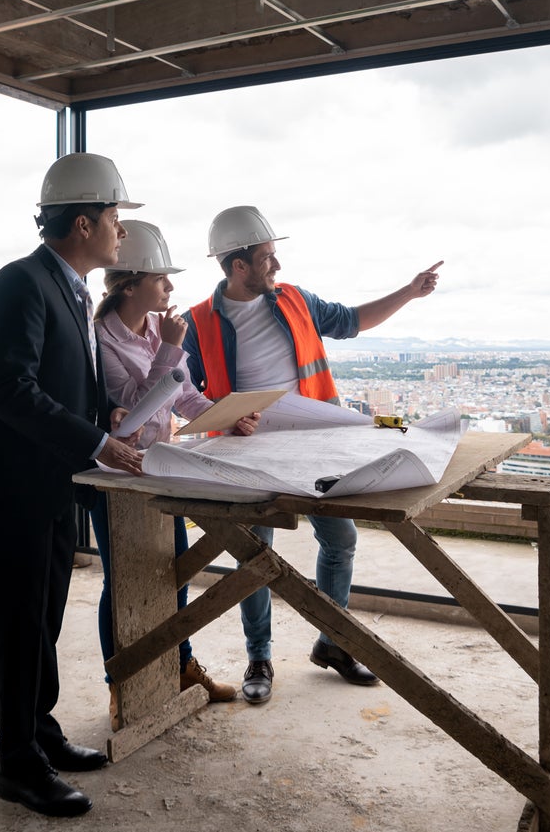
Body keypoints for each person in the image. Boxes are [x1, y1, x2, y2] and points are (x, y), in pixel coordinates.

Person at [182, 205, 442, 705]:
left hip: (316, 443)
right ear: (238, 265)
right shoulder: (197, 322)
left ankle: (333, 642)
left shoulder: (296, 300)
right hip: (247, 453)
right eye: (267, 257)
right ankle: (259, 656)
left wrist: (409, 292)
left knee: (340, 539)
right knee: (253, 555)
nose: (277, 265)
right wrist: (223, 417)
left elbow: (353, 321)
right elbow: (184, 392)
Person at [0, 152, 145, 818]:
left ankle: (38, 731)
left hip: (51, 482)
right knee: (18, 623)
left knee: (44, 619)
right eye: (116, 217)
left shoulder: (71, 289)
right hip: (9, 487)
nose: (122, 230)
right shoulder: (20, 283)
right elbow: (9, 388)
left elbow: (62, 383)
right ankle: (17, 764)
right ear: (84, 223)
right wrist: (96, 442)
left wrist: (104, 414)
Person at [93, 219, 259, 722]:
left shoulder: (156, 329)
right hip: (118, 474)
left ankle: (182, 665)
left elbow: (183, 394)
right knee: (122, 581)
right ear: (130, 285)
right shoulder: (102, 339)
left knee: (176, 571)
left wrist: (225, 417)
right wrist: (168, 347)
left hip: (161, 466)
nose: (169, 287)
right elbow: (133, 404)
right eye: (160, 278)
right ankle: (121, 684)